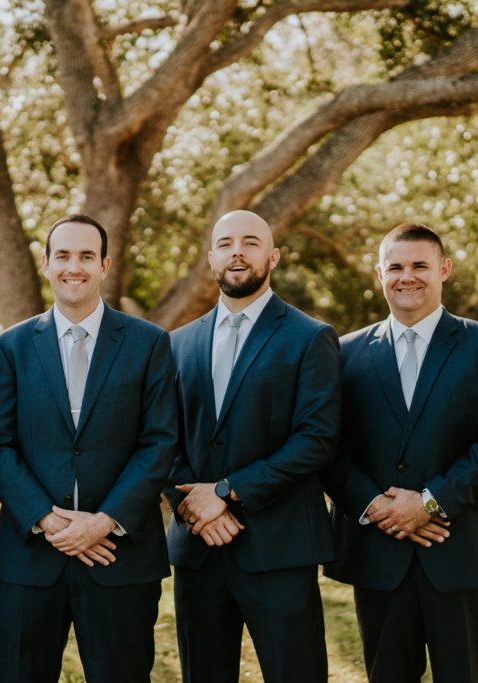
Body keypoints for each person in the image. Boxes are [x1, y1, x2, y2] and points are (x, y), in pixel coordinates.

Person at [324, 222, 478, 682]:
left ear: (444, 269)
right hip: (380, 552)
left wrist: (428, 503)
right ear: (378, 274)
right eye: (396, 267)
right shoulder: (342, 354)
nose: (408, 276)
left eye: (420, 265)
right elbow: (326, 444)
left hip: (466, 550)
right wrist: (374, 505)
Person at [0, 214, 177, 682]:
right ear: (46, 264)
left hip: (119, 556)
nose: (75, 266)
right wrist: (48, 520)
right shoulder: (10, 347)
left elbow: (159, 442)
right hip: (28, 557)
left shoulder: (149, 344)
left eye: (87, 256)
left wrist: (104, 521)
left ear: (105, 265)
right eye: (64, 255)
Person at [165, 210, 340, 682]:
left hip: (279, 547)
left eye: (250, 242)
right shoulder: (177, 344)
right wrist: (192, 507)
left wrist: (226, 491)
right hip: (199, 548)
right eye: (225, 243)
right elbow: (162, 439)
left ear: (273, 256)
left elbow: (317, 439)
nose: (236, 251)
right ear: (211, 258)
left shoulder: (310, 338)